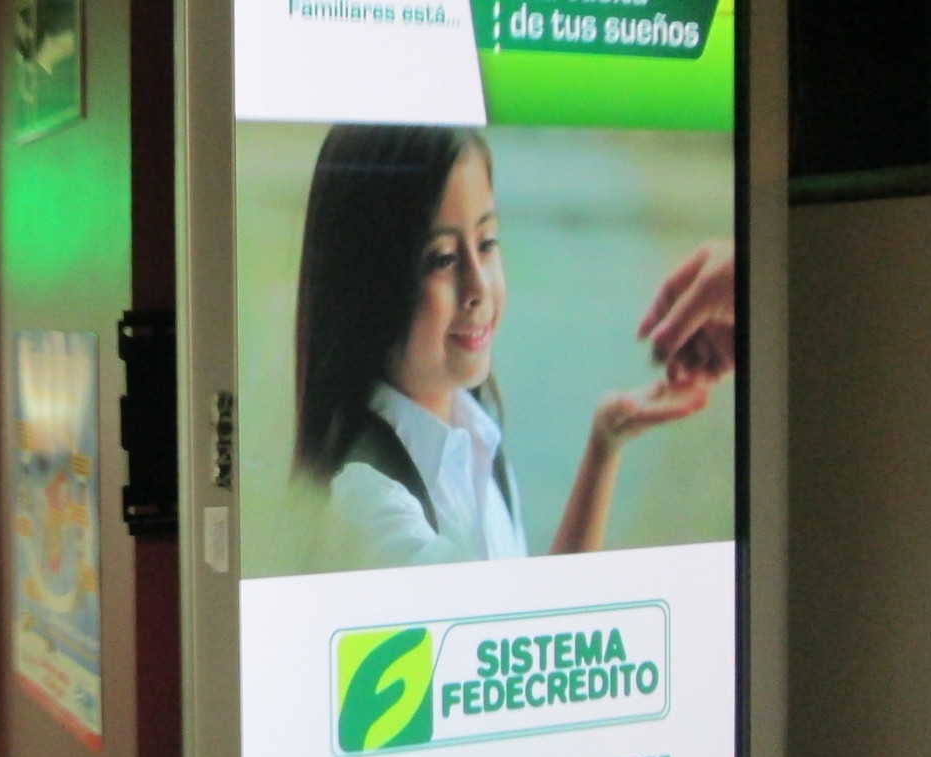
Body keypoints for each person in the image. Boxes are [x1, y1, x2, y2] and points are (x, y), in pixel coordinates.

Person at [293, 124, 730, 571]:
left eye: (486, 243)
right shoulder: (368, 503)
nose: (478, 286)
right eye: (442, 258)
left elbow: (533, 612)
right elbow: (508, 632)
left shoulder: (475, 436)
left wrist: (606, 442)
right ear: (364, 282)